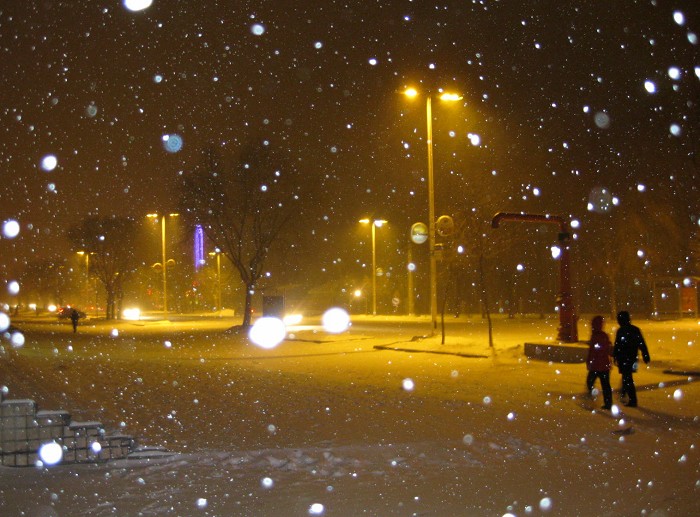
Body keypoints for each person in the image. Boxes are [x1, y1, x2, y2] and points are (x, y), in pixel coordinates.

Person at [613, 311, 650, 407]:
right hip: (632, 357)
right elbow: (641, 343)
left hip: (624, 358)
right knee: (627, 376)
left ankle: (632, 399)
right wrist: (645, 354)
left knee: (627, 377)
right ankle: (624, 393)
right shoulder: (635, 330)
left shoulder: (621, 331)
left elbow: (617, 345)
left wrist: (615, 355)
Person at [586, 315, 613, 410]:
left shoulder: (596, 336)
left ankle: (592, 399)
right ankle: (608, 402)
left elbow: (593, 351)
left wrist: (589, 361)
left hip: (596, 365)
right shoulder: (604, 335)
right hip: (604, 365)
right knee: (605, 385)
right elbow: (607, 349)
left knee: (590, 382)